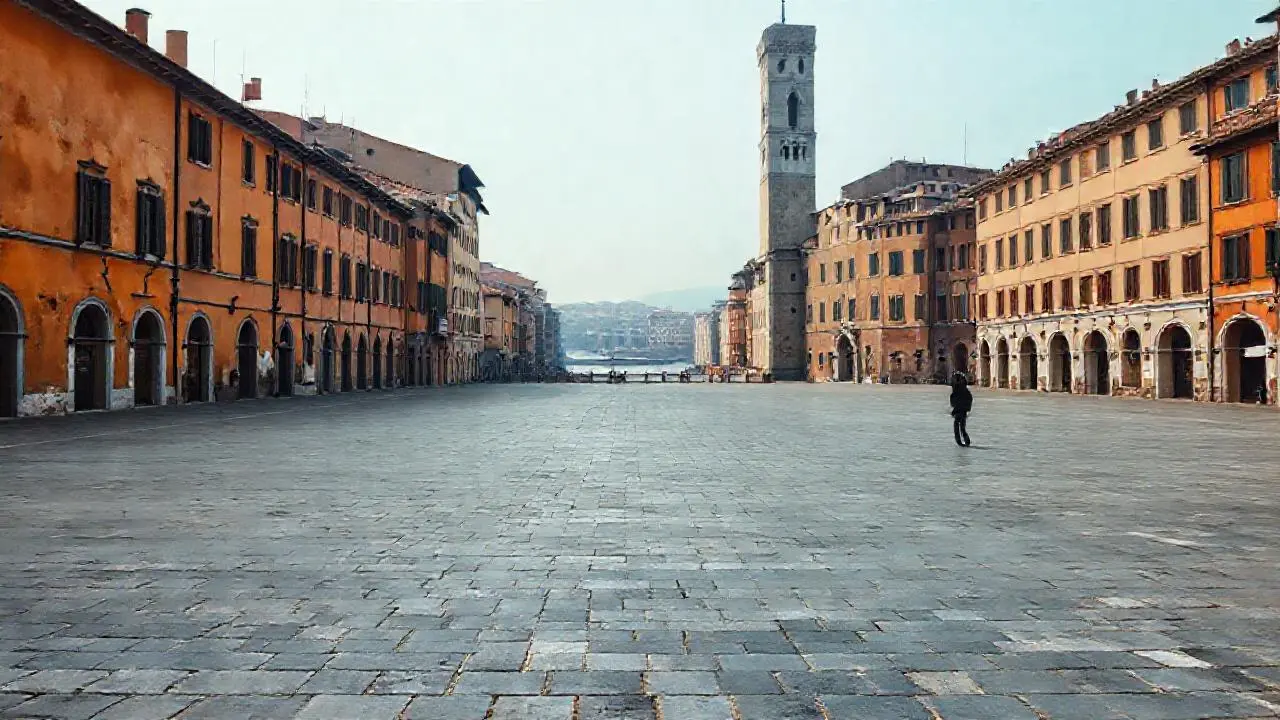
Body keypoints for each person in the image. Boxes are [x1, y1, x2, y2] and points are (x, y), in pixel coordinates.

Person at [949, 372, 972, 447]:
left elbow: (953, 402)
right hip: (963, 411)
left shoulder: (956, 391)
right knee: (962, 427)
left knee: (956, 425)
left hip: (958, 411)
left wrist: (954, 410)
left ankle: (960, 441)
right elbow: (969, 400)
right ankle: (966, 441)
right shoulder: (966, 391)